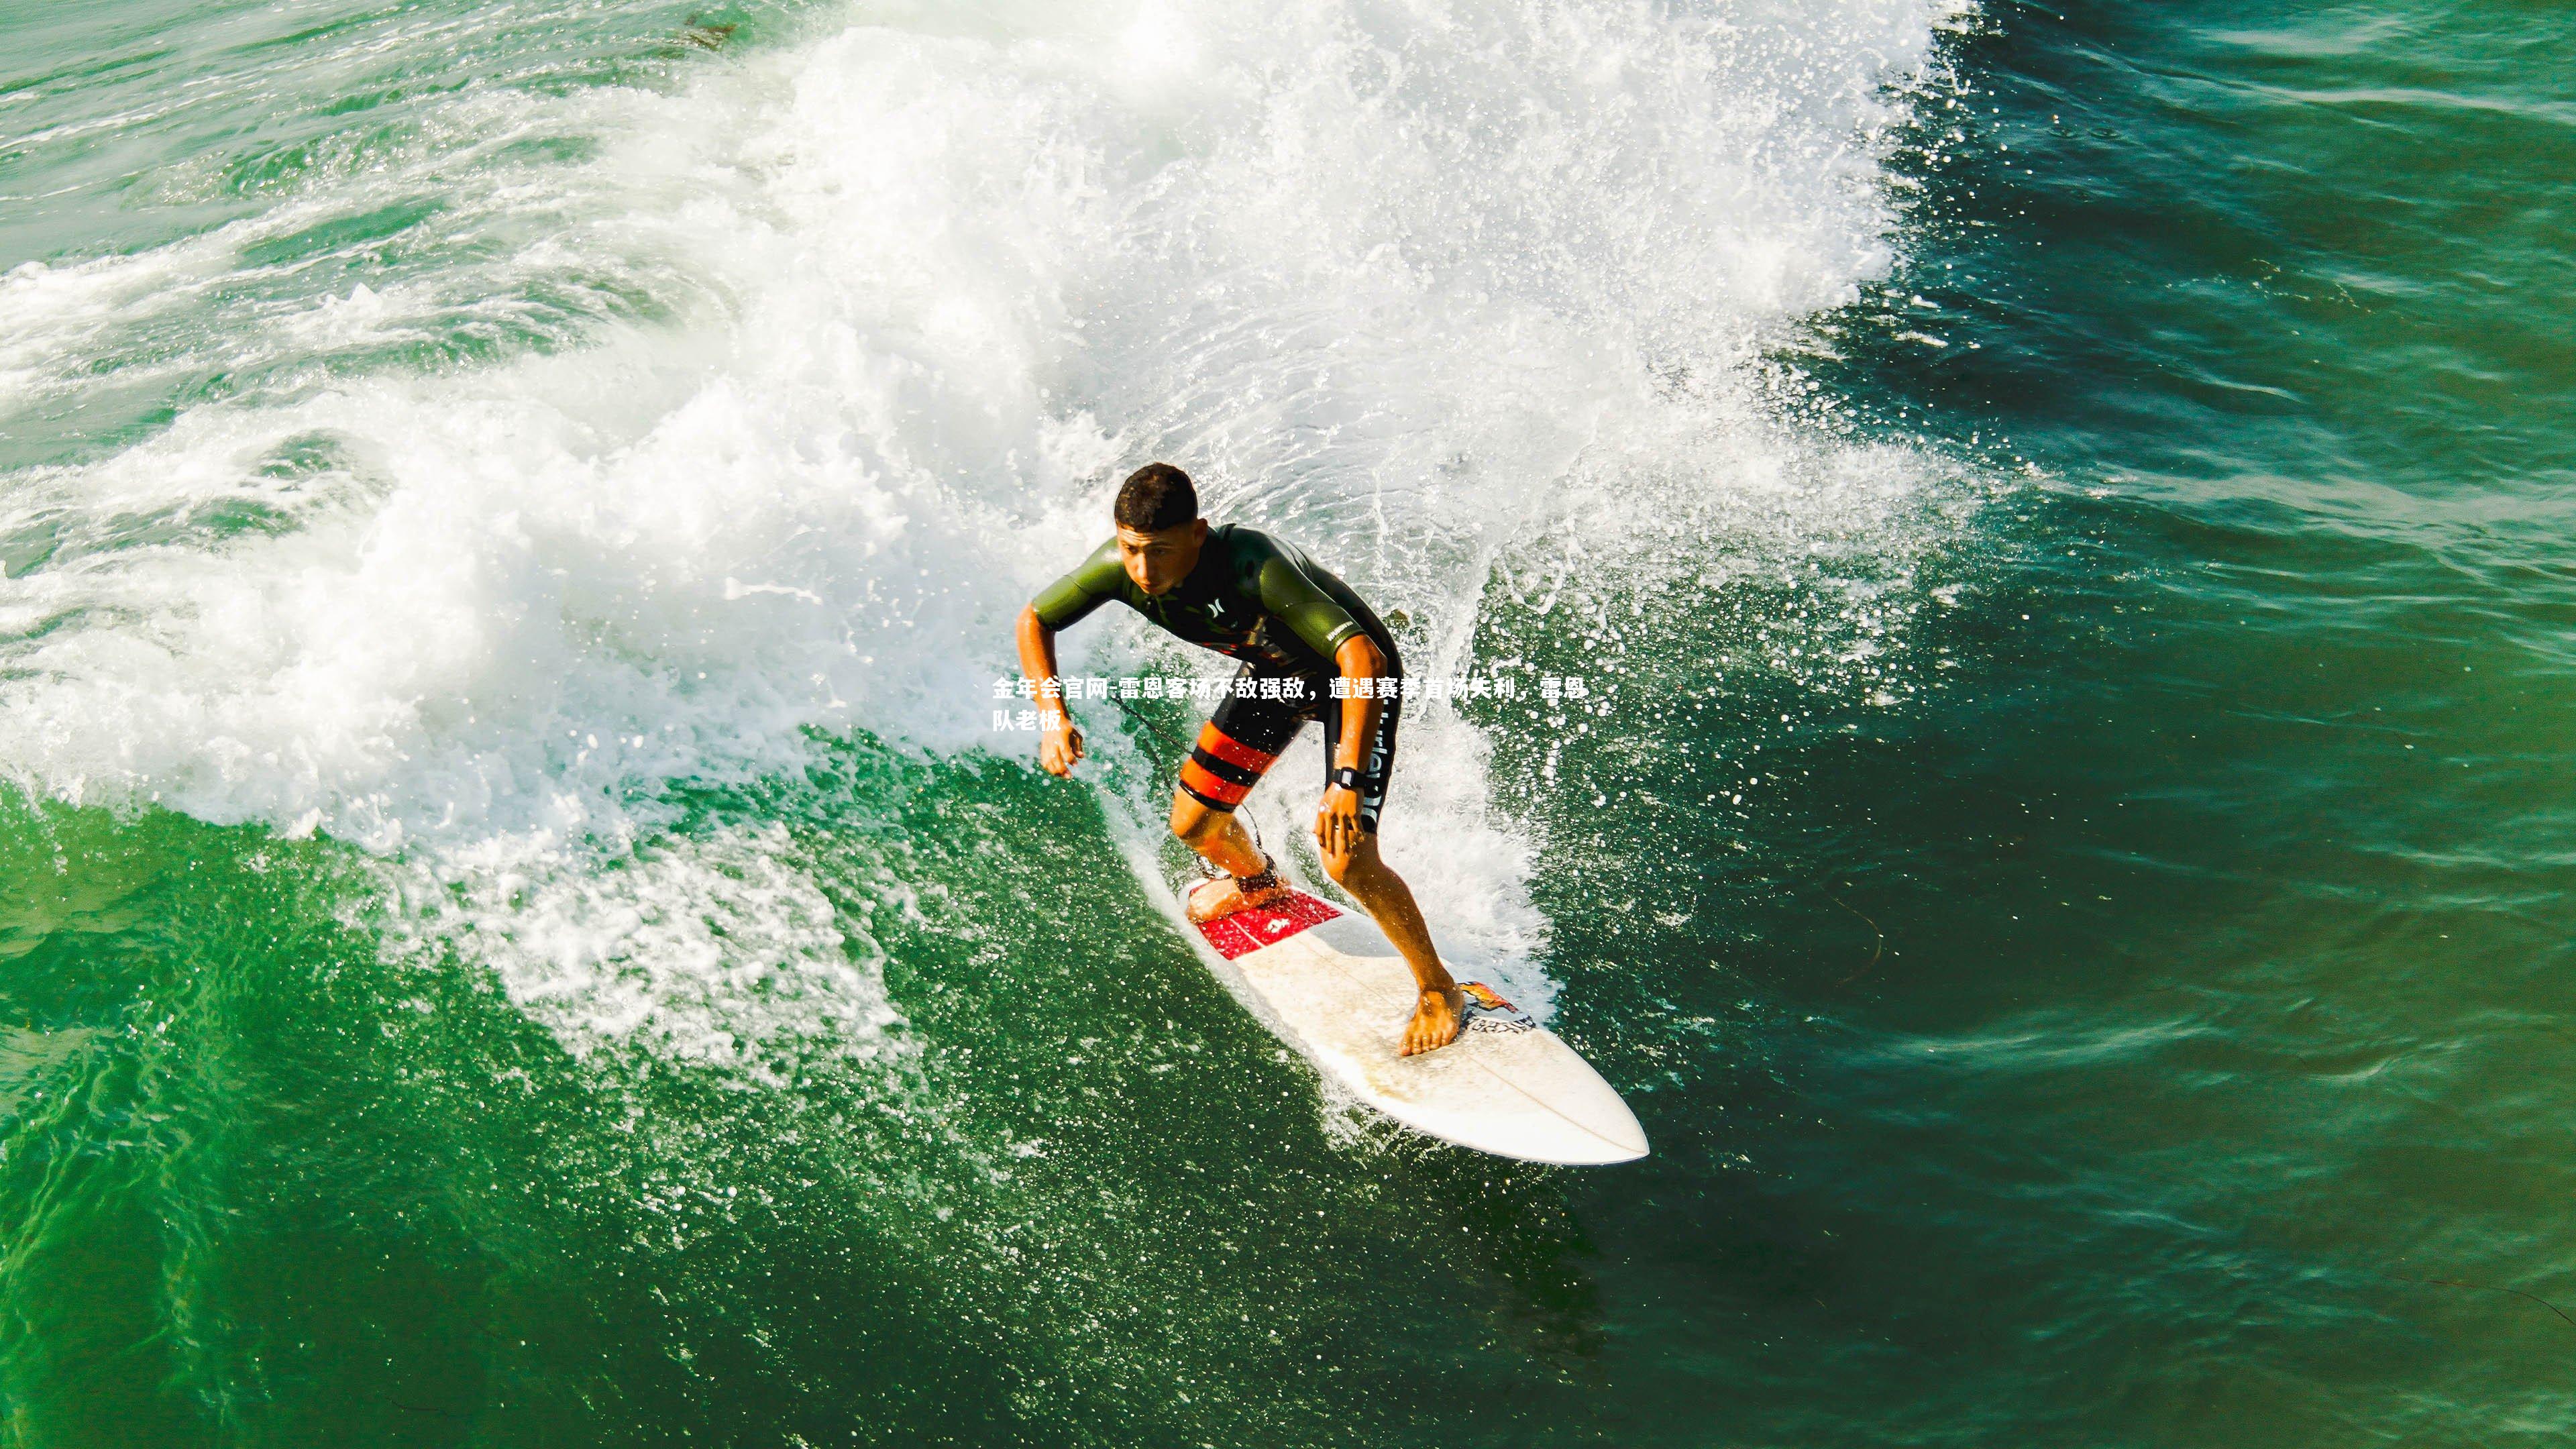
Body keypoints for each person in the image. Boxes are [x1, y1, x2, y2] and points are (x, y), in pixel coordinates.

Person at [1014, 463, 1465, 1056]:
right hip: (1276, 677)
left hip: (1356, 684)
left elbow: (1360, 656)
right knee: (1194, 825)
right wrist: (1053, 716)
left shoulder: (1255, 566)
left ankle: (1439, 990)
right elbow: (1036, 619)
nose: (1144, 571)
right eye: (1130, 550)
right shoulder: (1117, 569)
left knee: (1347, 857)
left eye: (1160, 552)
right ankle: (1258, 882)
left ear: (1198, 534)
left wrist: (1347, 781)